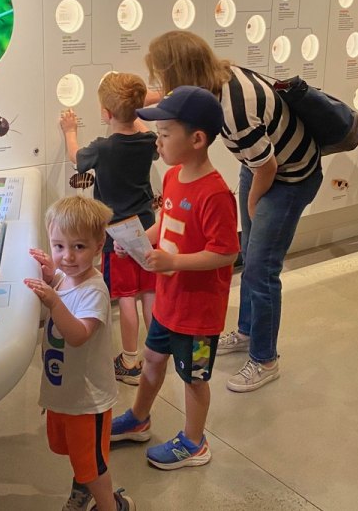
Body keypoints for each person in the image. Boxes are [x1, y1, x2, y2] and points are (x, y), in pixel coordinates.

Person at [142, 30, 322, 394]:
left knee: (260, 266)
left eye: (163, 77)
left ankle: (264, 358)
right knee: (255, 258)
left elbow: (267, 167)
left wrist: (255, 202)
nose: (160, 85)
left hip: (287, 175)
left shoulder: (232, 111)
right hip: (258, 162)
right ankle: (245, 331)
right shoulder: (218, 79)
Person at [108, 86, 240, 469]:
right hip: (168, 301)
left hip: (197, 314)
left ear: (197, 139)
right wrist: (137, 243)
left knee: (193, 377)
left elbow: (227, 252)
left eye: (165, 134)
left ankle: (195, 443)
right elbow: (166, 224)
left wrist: (174, 263)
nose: (157, 141)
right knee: (151, 358)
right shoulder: (173, 178)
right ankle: (139, 418)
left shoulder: (215, 194)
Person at [25, 197, 134, 511]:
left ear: (99, 246)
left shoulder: (94, 291)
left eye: (78, 247)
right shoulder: (66, 278)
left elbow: (77, 336)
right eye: (59, 246)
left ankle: (109, 506)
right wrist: (50, 274)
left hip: (88, 402)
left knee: (93, 464)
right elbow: (62, 281)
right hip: (66, 393)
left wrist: (53, 303)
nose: (67, 257)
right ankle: (83, 490)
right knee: (77, 454)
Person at [60, 72, 159, 386]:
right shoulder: (148, 140)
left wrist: (70, 130)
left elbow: (76, 159)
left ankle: (129, 361)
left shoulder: (103, 148)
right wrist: (137, 114)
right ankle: (156, 353)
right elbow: (145, 133)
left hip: (116, 234)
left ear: (105, 113)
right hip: (147, 227)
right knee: (148, 291)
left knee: (126, 296)